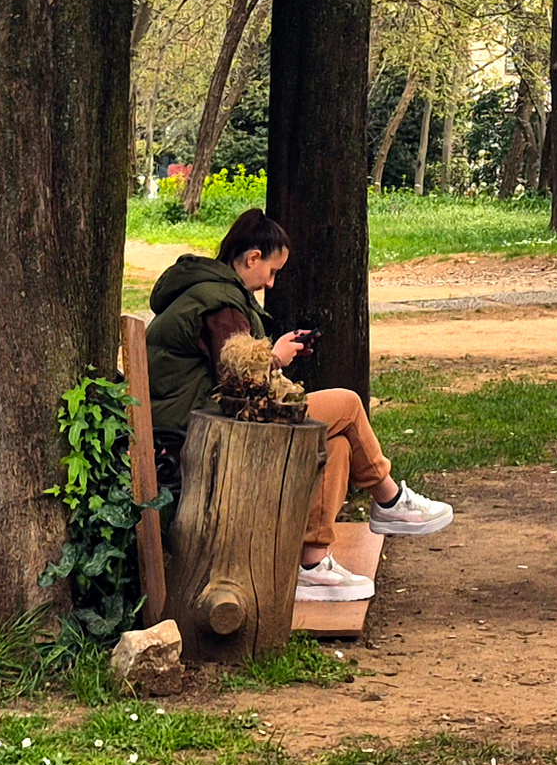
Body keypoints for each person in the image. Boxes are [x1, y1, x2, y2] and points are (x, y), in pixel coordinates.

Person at [144, 208, 453, 602]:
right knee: (347, 404)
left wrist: (273, 356)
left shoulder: (211, 294)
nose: (271, 282)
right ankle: (390, 500)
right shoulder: (218, 304)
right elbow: (240, 383)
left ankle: (312, 565)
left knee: (336, 442)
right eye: (271, 272)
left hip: (209, 423)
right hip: (202, 436)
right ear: (253, 257)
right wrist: (273, 358)